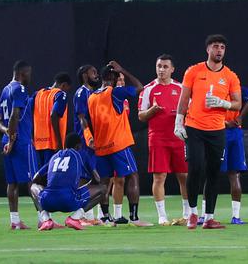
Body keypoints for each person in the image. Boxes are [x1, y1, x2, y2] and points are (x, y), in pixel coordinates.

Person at [174, 34, 242, 230]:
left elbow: (238, 103)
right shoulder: (194, 71)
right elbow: (184, 98)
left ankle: (209, 217)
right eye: (215, 46)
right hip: (194, 127)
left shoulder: (230, 76)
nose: (219, 50)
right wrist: (179, 122)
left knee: (214, 172)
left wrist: (223, 103)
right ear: (208, 50)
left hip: (217, 130)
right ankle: (192, 214)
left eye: (222, 47)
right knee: (195, 169)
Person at [88, 61, 153, 226]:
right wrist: (123, 69)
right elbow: (140, 88)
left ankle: (106, 218)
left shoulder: (92, 97)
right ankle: (134, 217)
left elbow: (89, 123)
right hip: (118, 144)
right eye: (117, 77)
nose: (119, 80)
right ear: (111, 77)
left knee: (104, 182)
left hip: (101, 147)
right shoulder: (114, 93)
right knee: (132, 176)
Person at [137, 54, 190, 226]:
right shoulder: (148, 89)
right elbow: (140, 115)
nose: (161, 69)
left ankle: (187, 213)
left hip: (179, 138)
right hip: (158, 138)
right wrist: (152, 111)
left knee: (184, 176)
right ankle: (162, 216)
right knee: (159, 177)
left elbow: (190, 110)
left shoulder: (182, 88)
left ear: (172, 69)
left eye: (165, 66)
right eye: (159, 66)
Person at [29, 133, 111, 231]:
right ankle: (75, 218)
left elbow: (35, 178)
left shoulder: (55, 156)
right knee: (103, 189)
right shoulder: (81, 153)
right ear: (78, 146)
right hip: (68, 200)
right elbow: (97, 179)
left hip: (48, 201)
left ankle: (46, 219)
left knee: (33, 187)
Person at [0, 60, 35, 229]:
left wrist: (6, 133)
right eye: (29, 73)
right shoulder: (19, 89)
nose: (30, 77)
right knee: (32, 180)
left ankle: (15, 221)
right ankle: (44, 218)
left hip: (7, 139)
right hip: (20, 141)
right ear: (22, 73)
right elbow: (15, 115)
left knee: (12, 182)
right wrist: (12, 140)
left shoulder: (5, 90)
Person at [220, 84, 248, 224]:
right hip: (226, 132)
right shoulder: (234, 87)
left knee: (218, 174)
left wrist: (240, 118)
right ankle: (235, 217)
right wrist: (240, 118)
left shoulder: (231, 87)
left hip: (224, 131)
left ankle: (207, 215)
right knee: (231, 174)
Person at [72, 64, 103, 224]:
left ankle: (89, 215)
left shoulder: (93, 93)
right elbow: (81, 117)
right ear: (85, 75)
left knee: (93, 176)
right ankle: (82, 215)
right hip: (84, 142)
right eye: (93, 72)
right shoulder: (81, 93)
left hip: (94, 141)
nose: (96, 75)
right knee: (84, 177)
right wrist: (89, 137)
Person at [33, 72, 72, 170]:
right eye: (67, 89)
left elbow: (28, 115)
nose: (67, 91)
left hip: (38, 144)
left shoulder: (37, 94)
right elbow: (54, 115)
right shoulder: (60, 94)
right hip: (53, 144)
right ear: (64, 85)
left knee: (40, 178)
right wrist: (59, 142)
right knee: (50, 178)